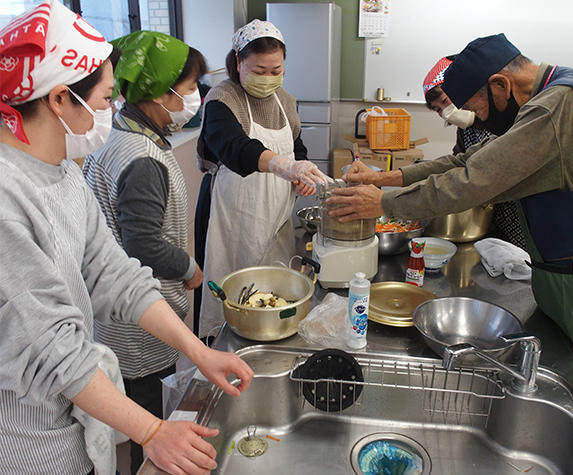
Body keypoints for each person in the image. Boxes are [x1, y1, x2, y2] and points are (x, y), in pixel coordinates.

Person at [327, 33, 573, 422]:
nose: (482, 118)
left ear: (499, 84)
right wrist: (385, 180)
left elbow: (474, 179)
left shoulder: (555, 110)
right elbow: (468, 160)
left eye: (479, 107)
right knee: (564, 393)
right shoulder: (556, 92)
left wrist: (383, 204)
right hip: (567, 278)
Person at [0, 3, 253, 475]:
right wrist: (153, 432)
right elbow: (51, 350)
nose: (110, 110)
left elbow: (114, 274)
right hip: (26, 442)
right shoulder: (7, 198)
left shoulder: (62, 173)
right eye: (102, 100)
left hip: (79, 418)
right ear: (59, 100)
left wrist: (199, 353)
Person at [82, 31, 206, 474]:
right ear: (159, 93)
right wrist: (190, 268)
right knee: (149, 421)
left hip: (121, 314)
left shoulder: (121, 137)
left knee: (142, 414)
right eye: (189, 89)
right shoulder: (141, 157)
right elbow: (144, 244)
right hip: (136, 327)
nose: (194, 99)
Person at [195, 19, 329, 339]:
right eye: (259, 70)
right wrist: (284, 166)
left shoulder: (285, 101)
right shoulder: (221, 99)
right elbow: (235, 148)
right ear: (239, 62)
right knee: (231, 291)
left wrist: (301, 173)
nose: (268, 79)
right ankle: (220, 349)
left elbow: (296, 147)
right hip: (232, 214)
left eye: (276, 70)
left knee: (273, 288)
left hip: (277, 215)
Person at [423, 56, 526, 251]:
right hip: (486, 217)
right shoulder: (466, 128)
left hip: (517, 215)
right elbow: (458, 163)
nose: (445, 112)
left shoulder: (503, 120)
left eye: (445, 101)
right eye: (437, 110)